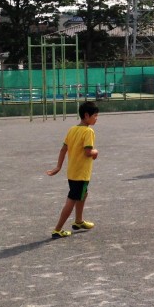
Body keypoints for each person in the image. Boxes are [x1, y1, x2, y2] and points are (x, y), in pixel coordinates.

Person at [46, 101, 100, 238]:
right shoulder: (88, 131)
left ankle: (78, 221)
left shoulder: (72, 129)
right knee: (72, 199)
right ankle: (57, 229)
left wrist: (58, 166)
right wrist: (95, 152)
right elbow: (88, 152)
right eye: (95, 115)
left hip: (72, 172)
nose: (97, 118)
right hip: (81, 173)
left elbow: (63, 149)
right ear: (86, 115)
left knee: (83, 194)